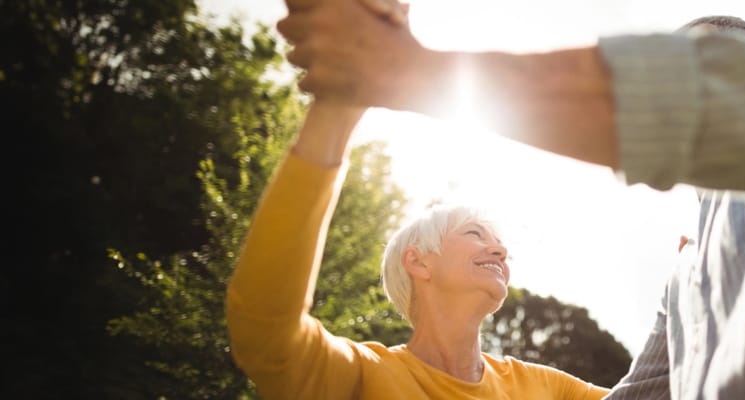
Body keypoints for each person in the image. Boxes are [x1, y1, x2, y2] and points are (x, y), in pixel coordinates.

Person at [276, 2, 745, 399]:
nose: (497, 247)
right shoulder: (686, 276)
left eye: (707, 60)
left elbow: (694, 101)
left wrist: (405, 70)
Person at [224, 104, 610, 397]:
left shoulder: (543, 387)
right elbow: (265, 331)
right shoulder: (363, 376)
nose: (500, 250)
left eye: (498, 242)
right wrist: (333, 117)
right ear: (418, 261)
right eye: (475, 233)